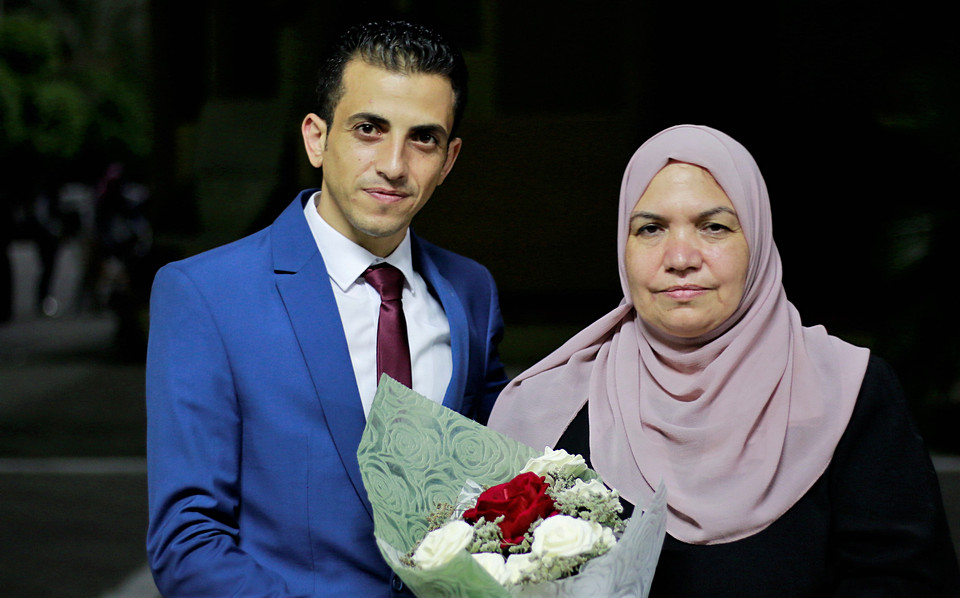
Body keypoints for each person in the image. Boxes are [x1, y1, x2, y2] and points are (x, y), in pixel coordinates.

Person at [488, 124, 960, 596]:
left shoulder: (848, 391)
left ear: (757, 238)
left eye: (713, 227)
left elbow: (901, 581)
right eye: (650, 229)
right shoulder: (551, 410)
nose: (680, 257)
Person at [146, 20, 508, 597]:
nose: (394, 164)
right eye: (369, 129)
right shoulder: (206, 294)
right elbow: (188, 543)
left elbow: (492, 499)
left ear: (449, 159)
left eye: (424, 138)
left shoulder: (472, 291)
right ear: (316, 139)